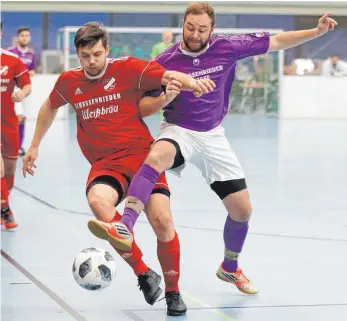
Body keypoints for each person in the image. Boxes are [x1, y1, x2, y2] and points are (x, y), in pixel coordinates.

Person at [99, 2, 338, 295]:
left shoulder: (228, 47)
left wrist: (316, 31)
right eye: (190, 28)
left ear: (212, 30)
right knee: (157, 155)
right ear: (182, 26)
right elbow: (141, 106)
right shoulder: (164, 61)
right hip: (179, 130)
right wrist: (165, 97)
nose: (195, 34)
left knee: (242, 211)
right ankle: (125, 226)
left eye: (202, 29)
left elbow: (276, 42)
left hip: (213, 136)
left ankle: (229, 267)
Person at [22, 22, 214, 316]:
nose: (92, 61)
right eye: (85, 56)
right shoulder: (68, 82)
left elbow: (168, 75)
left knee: (162, 221)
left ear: (107, 49)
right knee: (98, 202)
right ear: (78, 54)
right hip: (105, 163)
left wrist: (192, 83)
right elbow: (49, 107)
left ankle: (173, 292)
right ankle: (143, 272)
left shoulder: (128, 69)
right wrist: (34, 144)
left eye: (97, 54)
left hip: (142, 158)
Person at [0, 21, 32, 229]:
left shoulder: (12, 60)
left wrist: (22, 93)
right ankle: (6, 209)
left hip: (8, 122)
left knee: (10, 168)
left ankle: (3, 200)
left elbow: (27, 85)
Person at [8, 27, 36, 156]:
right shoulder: (10, 53)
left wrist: (28, 73)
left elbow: (32, 71)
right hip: (11, 88)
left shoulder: (31, 54)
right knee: (18, 117)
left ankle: (18, 146)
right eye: (22, 35)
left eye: (27, 35)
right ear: (18, 37)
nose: (24, 38)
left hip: (25, 89)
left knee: (22, 118)